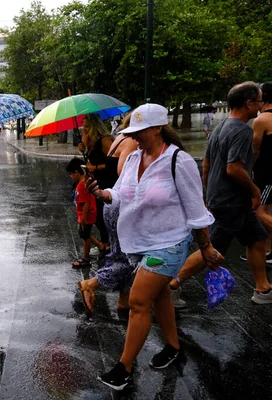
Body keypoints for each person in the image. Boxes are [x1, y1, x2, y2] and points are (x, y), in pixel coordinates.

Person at [87, 104, 223, 391]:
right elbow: (121, 193)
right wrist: (101, 193)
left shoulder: (179, 161)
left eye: (140, 131)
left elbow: (197, 211)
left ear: (158, 128)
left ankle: (123, 369)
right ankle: (173, 347)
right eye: (131, 132)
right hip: (140, 243)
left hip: (170, 245)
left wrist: (206, 248)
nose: (134, 137)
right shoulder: (135, 157)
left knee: (138, 301)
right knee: (160, 297)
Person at [170, 82, 272, 305]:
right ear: (248, 103)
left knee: (257, 238)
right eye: (259, 101)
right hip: (231, 201)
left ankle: (263, 289)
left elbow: (206, 164)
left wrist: (207, 193)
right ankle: (172, 284)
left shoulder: (220, 128)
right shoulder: (242, 130)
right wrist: (255, 191)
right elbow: (233, 168)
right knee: (211, 249)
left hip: (227, 198)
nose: (261, 105)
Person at [77, 113, 138, 315]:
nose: (83, 129)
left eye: (86, 126)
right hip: (116, 199)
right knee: (129, 258)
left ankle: (124, 299)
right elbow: (121, 170)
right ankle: (92, 284)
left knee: (122, 254)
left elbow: (107, 166)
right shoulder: (129, 142)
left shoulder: (111, 140)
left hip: (109, 197)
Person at [77, 114, 113, 255]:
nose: (83, 129)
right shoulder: (91, 142)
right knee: (98, 215)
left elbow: (113, 164)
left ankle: (107, 244)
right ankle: (105, 243)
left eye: (86, 126)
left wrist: (95, 167)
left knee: (103, 214)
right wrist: (83, 150)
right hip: (95, 182)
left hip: (107, 182)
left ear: (94, 126)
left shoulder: (105, 141)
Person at [66, 158, 102, 268]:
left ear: (76, 172)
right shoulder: (83, 182)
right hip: (84, 214)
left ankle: (86, 258)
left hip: (86, 214)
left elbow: (86, 202)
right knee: (84, 233)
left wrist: (84, 218)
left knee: (85, 236)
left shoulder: (82, 185)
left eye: (71, 174)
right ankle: (101, 246)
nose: (70, 177)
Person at [252, 82, 272, 257]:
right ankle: (267, 251)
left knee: (258, 211)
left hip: (267, 173)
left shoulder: (262, 120)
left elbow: (255, 148)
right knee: (266, 212)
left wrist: (249, 167)